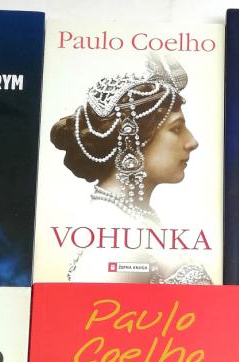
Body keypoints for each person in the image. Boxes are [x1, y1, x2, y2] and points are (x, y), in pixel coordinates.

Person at [50, 54, 211, 285]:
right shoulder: (118, 243)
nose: (192, 142)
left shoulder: (134, 217)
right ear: (131, 139)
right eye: (176, 129)